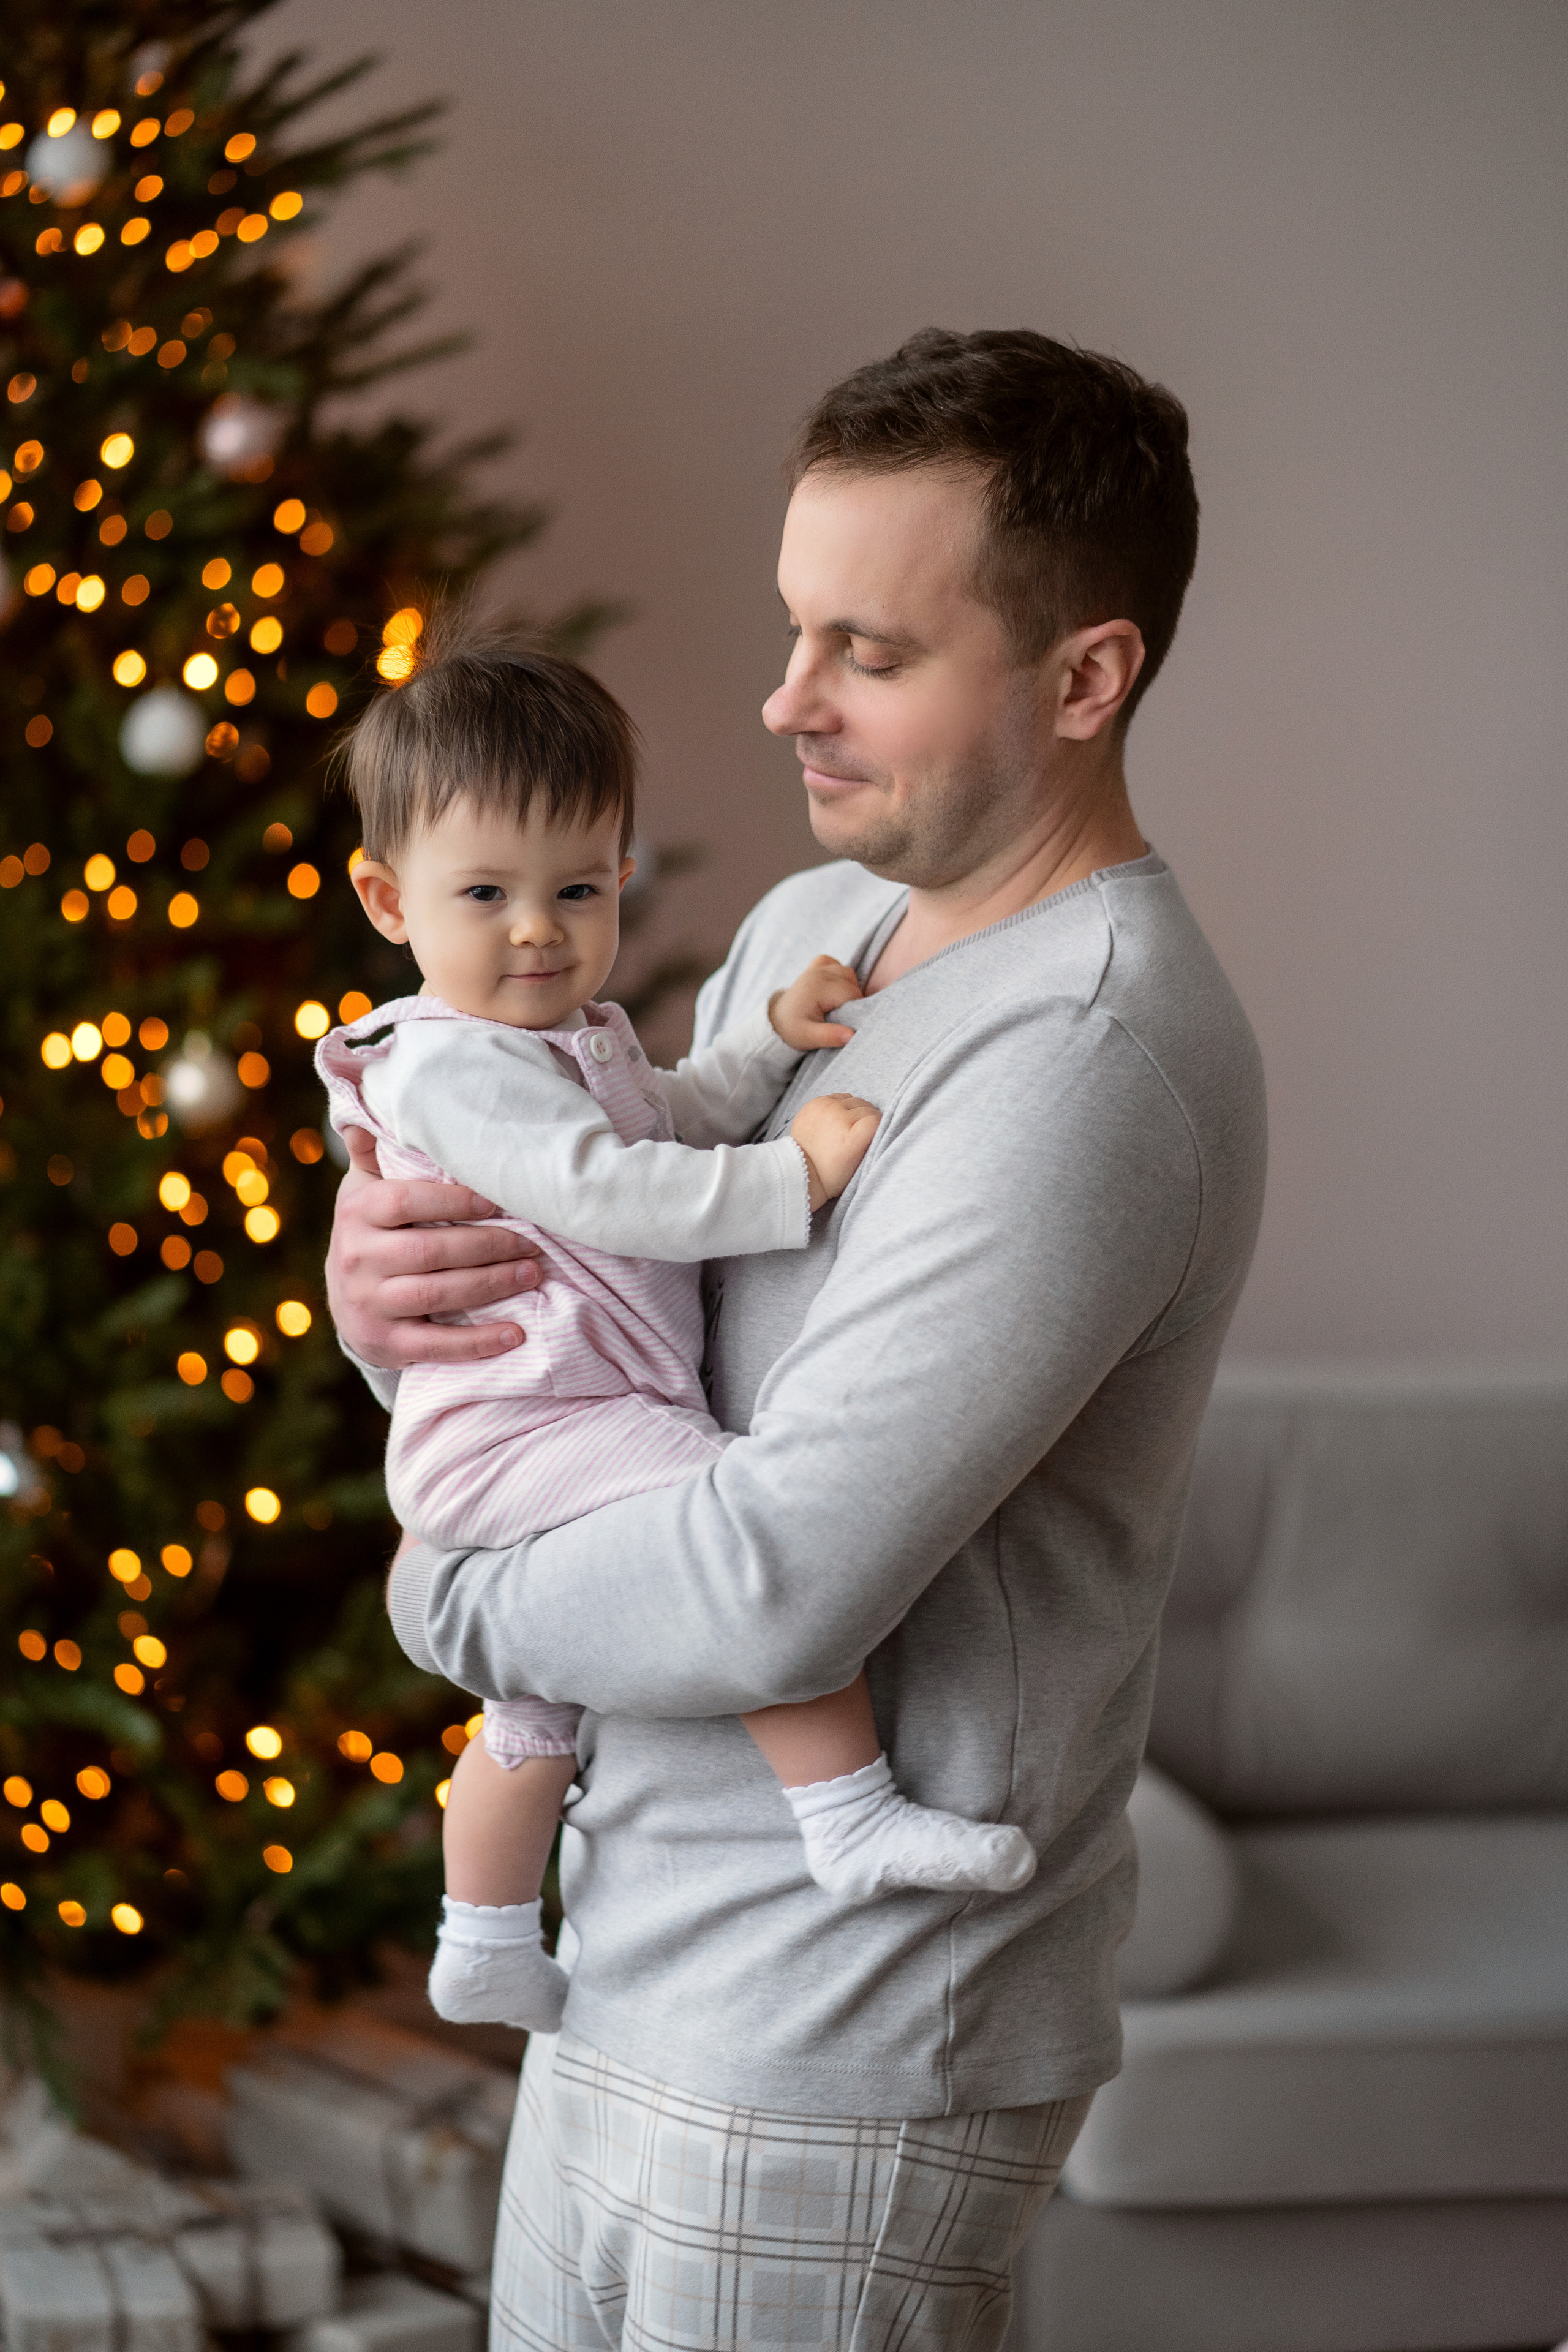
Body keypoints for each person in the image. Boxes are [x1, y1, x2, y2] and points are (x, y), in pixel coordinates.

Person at [328, 328, 1267, 2351]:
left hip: (835, 2050)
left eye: (869, 650)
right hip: (638, 1962)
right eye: (791, 630)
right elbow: (600, 1298)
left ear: (1086, 677)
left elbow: (768, 1592)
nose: (784, 704)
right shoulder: (812, 934)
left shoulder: (1084, 1055)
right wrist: (384, 1301)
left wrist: (446, 1592)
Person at [315, 624, 1037, 2037]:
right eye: (486, 893)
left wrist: (770, 1040)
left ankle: (483, 1941)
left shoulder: (562, 1034)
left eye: (577, 887)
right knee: (733, 1525)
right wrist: (797, 1179)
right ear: (387, 899)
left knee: (531, 1717)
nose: (539, 927)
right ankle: (844, 1813)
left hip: (537, 1419)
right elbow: (613, 1186)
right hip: (529, 1425)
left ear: (620, 875)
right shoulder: (454, 1065)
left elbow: (665, 1115)